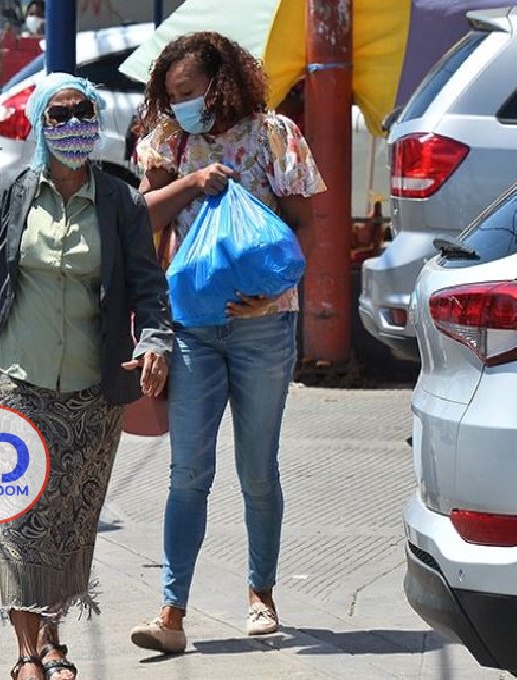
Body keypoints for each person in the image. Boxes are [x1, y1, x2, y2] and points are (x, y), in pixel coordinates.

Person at [0, 73, 172, 680]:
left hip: (94, 394)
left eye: (82, 113)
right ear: (41, 124)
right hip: (15, 381)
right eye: (60, 115)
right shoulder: (12, 191)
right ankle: (27, 653)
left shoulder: (119, 201)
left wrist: (154, 342)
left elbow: (148, 285)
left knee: (69, 522)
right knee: (18, 521)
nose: (73, 126)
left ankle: (56, 637)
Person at [126, 32, 325, 653]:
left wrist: (274, 297)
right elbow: (145, 222)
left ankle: (260, 593)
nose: (181, 103)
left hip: (263, 324)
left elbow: (304, 229)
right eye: (172, 94)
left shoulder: (274, 135)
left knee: (256, 470)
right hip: (190, 327)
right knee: (188, 471)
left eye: (190, 92)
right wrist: (189, 184)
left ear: (223, 82)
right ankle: (171, 613)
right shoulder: (167, 141)